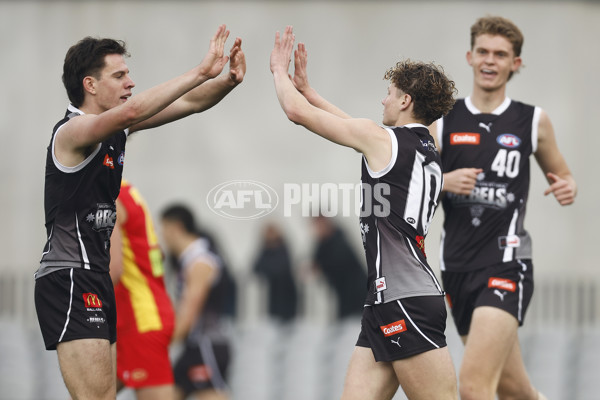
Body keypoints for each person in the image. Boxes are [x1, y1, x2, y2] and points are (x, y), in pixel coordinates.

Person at [34, 25, 245, 400]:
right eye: (119, 75)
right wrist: (199, 70)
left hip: (94, 278)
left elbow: (192, 104)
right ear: (90, 85)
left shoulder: (115, 129)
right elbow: (133, 109)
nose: (130, 82)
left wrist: (227, 80)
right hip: (70, 277)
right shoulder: (72, 131)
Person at [271, 26, 458, 400]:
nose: (383, 100)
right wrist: (310, 91)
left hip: (406, 298)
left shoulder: (382, 140)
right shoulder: (428, 145)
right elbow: (355, 128)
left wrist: (278, 70)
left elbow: (296, 113)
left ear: (405, 100)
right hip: (385, 301)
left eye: (388, 94)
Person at [430, 16, 577, 400]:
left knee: (475, 386)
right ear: (469, 56)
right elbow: (411, 182)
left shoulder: (533, 121)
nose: (490, 61)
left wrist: (567, 186)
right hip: (457, 266)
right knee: (515, 389)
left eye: (500, 54)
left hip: (506, 263)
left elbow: (561, 174)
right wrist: (444, 181)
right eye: (483, 52)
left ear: (516, 63)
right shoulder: (444, 121)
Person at [108, 180, 176, 399]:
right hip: (138, 316)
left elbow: (113, 268)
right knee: (88, 392)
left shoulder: (108, 196)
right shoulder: (126, 190)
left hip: (140, 320)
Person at [160, 204, 234, 400]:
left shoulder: (199, 262)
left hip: (207, 346)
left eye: (164, 229)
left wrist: (159, 344)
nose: (163, 236)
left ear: (175, 227)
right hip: (194, 346)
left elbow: (189, 314)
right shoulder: (188, 261)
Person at [311, 216, 366, 319]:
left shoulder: (339, 240)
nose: (318, 228)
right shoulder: (321, 244)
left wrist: (319, 267)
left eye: (320, 224)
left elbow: (338, 264)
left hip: (357, 293)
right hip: (342, 295)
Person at [253, 222, 298, 323]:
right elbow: (256, 268)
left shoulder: (283, 249)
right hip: (271, 295)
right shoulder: (264, 250)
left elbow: (281, 268)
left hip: (285, 294)